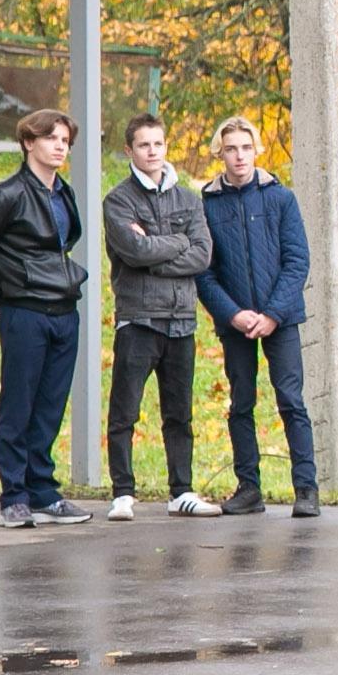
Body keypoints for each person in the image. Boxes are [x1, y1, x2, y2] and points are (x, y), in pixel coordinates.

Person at [0, 108, 93, 529]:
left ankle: (43, 492)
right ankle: (13, 495)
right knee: (19, 403)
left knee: (50, 406)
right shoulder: (6, 194)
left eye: (65, 141)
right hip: (25, 313)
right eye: (51, 138)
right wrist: (0, 295)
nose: (59, 146)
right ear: (29, 142)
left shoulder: (63, 193)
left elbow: (63, 245)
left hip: (64, 311)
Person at [196, 116, 318, 518]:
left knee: (291, 400)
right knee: (241, 403)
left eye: (245, 148)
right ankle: (249, 489)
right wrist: (233, 315)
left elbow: (297, 261)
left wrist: (272, 314)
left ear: (257, 150)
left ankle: (306, 489)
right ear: (221, 153)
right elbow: (204, 271)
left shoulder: (281, 198)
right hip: (236, 323)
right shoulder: (208, 204)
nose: (239, 156)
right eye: (231, 149)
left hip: (279, 320)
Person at [102, 113, 220, 521]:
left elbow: (202, 255)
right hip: (138, 319)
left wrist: (155, 248)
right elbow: (133, 253)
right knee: (125, 411)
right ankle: (122, 493)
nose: (152, 151)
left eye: (158, 144)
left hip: (182, 320)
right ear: (130, 150)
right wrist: (176, 243)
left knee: (179, 413)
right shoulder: (118, 201)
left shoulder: (189, 199)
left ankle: (181, 491)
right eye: (144, 145)